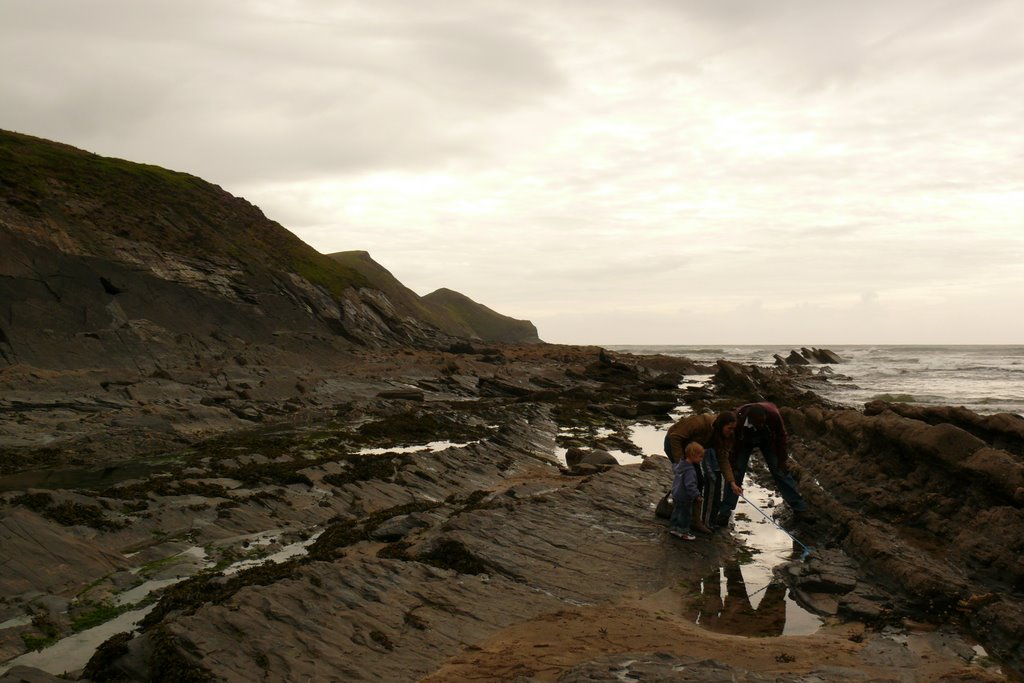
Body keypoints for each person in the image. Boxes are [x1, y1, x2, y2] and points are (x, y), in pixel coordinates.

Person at [716, 402, 810, 527]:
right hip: (744, 440)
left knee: (780, 472)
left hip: (767, 438)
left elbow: (781, 436)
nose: (760, 424)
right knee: (736, 473)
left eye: (763, 422)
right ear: (750, 419)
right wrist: (733, 463)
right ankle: (724, 512)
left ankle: (800, 508)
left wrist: (782, 460)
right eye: (758, 422)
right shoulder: (738, 420)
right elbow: (733, 443)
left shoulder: (773, 416)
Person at [663, 412, 740, 532]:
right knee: (689, 480)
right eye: (729, 428)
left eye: (734, 429)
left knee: (698, 480)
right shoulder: (700, 423)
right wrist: (681, 464)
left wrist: (732, 483)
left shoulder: (720, 435)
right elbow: (675, 437)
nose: (731, 432)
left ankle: (693, 520)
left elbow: (723, 460)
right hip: (674, 443)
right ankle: (679, 518)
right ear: (721, 425)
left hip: (692, 450)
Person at [668, 442, 705, 540]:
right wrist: (697, 495)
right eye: (700, 457)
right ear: (693, 455)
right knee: (685, 515)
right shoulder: (690, 470)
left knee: (677, 512)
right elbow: (690, 485)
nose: (702, 459)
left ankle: (674, 528)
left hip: (676, 494)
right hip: (685, 496)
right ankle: (683, 531)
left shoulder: (681, 465)